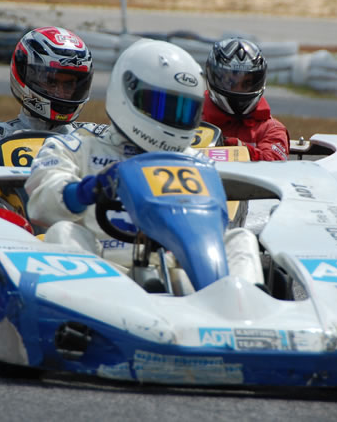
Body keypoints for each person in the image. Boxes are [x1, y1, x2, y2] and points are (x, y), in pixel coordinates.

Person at [24, 39, 264, 286]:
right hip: (104, 273)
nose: (171, 117)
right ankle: (83, 318)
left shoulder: (194, 162)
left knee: (240, 239)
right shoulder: (78, 148)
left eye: (183, 109)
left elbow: (213, 225)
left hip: (177, 272)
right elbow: (41, 206)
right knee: (63, 232)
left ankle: (243, 313)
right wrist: (88, 190)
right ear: (127, 93)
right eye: (161, 106)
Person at [0, 26, 99, 165]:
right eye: (51, 82)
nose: (60, 93)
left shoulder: (93, 135)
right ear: (25, 76)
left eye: (68, 85)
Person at [203, 37, 290, 161]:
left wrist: (237, 148)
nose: (238, 90)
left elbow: (274, 165)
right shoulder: (193, 121)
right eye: (231, 82)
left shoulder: (271, 130)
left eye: (246, 83)